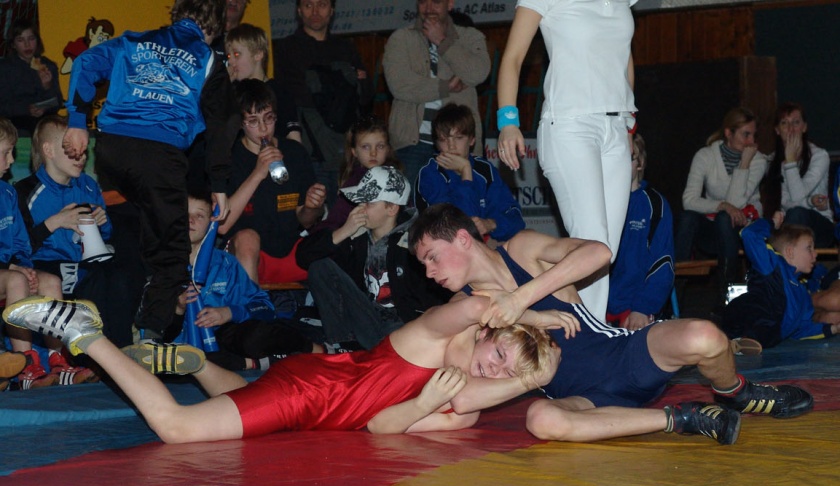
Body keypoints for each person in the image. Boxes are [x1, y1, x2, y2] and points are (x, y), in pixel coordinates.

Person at [408, 203, 814, 445]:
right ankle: (685, 418)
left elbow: (599, 252)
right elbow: (463, 397)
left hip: (625, 355)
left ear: (463, 239)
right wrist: (532, 380)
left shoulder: (522, 251)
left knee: (706, 336)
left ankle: (737, 392)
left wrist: (520, 299)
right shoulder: (464, 309)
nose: (428, 272)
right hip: (583, 401)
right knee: (541, 420)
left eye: (432, 257)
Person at [2, 289, 561, 440]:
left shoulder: (462, 407)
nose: (494, 370)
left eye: (508, 374)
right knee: (178, 428)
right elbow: (475, 305)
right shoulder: (442, 336)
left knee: (243, 396)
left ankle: (196, 364)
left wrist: (424, 404)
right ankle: (83, 331)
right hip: (308, 394)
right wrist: (531, 310)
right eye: (499, 354)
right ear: (491, 332)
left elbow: (380, 425)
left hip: (309, 388)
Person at [62, 0, 239, 345]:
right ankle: (151, 337)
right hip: (159, 156)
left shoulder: (134, 40)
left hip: (112, 152)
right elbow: (224, 122)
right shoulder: (207, 58)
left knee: (137, 236)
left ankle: (121, 327)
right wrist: (219, 182)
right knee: (173, 254)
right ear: (214, 29)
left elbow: (85, 62)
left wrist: (77, 122)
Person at [495, 0, 637, 322]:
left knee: (605, 253)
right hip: (569, 126)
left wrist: (629, 121)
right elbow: (513, 57)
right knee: (593, 245)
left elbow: (624, 54)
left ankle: (545, 305)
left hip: (616, 127)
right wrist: (508, 122)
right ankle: (590, 338)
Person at [297, 166, 452, 351]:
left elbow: (432, 296)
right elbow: (303, 258)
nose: (360, 209)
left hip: (403, 327)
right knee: (320, 267)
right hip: (367, 320)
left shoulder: (415, 241)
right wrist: (343, 231)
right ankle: (342, 346)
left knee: (400, 333)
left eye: (368, 203)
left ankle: (367, 352)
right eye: (360, 202)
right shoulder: (356, 234)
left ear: (391, 208)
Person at [166, 188, 318, 371]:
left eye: (199, 215)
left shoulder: (225, 264)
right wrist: (178, 309)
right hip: (178, 346)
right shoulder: (159, 264)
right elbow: (152, 328)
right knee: (177, 358)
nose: (190, 220)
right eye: (185, 214)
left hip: (222, 339)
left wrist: (229, 312)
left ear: (211, 222)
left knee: (256, 336)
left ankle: (316, 349)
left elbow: (265, 307)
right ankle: (255, 363)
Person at [16, 116, 134, 347]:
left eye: (84, 148)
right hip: (44, 263)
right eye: (73, 148)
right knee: (94, 278)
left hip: (86, 261)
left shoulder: (88, 185)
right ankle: (94, 353)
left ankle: (123, 351)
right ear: (49, 150)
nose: (82, 156)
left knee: (122, 274)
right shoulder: (25, 192)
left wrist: (103, 223)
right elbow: (16, 248)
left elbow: (105, 237)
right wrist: (54, 222)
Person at [0, 117, 81, 389]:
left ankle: (58, 360)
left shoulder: (7, 194)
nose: (11, 160)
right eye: (5, 153)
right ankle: (24, 365)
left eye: (12, 152)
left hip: (7, 271)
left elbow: (20, 242)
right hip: (6, 275)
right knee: (16, 280)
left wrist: (24, 265)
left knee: (51, 281)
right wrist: (14, 270)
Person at [220, 79, 326, 284]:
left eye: (268, 118)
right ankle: (250, 303)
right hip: (246, 254)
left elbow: (305, 220)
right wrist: (258, 173)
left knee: (332, 241)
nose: (263, 128)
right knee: (247, 240)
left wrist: (312, 207)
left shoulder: (294, 152)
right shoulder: (229, 157)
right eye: (253, 121)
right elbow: (222, 226)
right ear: (240, 123)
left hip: (289, 249)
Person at [274, 0, 374, 207]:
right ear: (299, 11)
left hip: (346, 149)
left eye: (322, 4)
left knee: (351, 213)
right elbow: (294, 94)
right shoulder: (287, 48)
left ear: (332, 10)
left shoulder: (345, 47)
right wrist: (344, 81)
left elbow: (365, 96)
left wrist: (323, 83)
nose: (315, 11)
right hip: (311, 148)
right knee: (313, 214)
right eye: (308, 5)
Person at [383, 0, 491, 185]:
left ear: (450, 4)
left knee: (462, 200)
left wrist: (442, 41)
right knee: (411, 203)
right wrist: (445, 87)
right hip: (411, 146)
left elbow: (478, 73)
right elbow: (399, 85)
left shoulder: (470, 36)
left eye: (436, 2)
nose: (429, 8)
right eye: (423, 2)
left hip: (459, 145)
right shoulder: (401, 38)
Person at [675, 107, 768, 303]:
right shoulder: (706, 155)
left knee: (725, 219)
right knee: (688, 218)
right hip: (714, 229)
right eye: (746, 134)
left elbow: (736, 202)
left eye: (754, 135)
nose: (751, 141)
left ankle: (729, 299)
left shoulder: (758, 160)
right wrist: (722, 205)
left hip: (744, 230)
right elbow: (688, 200)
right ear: (728, 133)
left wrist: (744, 164)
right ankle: (673, 295)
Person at [723, 213, 839, 351]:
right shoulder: (772, 265)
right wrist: (771, 223)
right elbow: (750, 234)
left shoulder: (802, 295)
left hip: (767, 335)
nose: (815, 254)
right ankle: (732, 335)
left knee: (774, 329)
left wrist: (832, 328)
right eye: (809, 248)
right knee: (761, 308)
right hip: (743, 317)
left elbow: (800, 330)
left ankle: (739, 344)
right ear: (790, 252)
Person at [415, 103, 525, 243]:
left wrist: (490, 224)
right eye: (443, 139)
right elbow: (458, 229)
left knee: (526, 238)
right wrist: (466, 172)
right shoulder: (430, 174)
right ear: (436, 144)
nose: (451, 146)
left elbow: (515, 218)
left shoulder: (485, 170)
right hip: (444, 245)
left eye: (459, 138)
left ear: (472, 140)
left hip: (485, 242)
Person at [606, 134, 674, 330]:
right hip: (598, 305)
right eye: (615, 157)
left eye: (627, 158)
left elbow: (663, 262)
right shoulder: (598, 203)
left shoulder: (654, 205)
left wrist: (642, 308)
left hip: (635, 307)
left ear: (640, 163)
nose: (619, 164)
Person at [760, 102, 832, 248]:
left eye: (796, 122)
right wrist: (809, 201)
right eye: (784, 123)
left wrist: (790, 162)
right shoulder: (771, 162)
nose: (791, 128)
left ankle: (785, 261)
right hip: (787, 223)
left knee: (797, 213)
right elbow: (784, 202)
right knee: (765, 226)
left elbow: (798, 198)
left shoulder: (819, 156)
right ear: (777, 130)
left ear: (804, 127)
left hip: (819, 226)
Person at [316, 116, 400, 232]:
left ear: (388, 149)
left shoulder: (396, 179)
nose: (373, 153)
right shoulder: (353, 182)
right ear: (354, 151)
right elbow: (335, 220)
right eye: (366, 147)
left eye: (380, 146)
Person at [225, 23, 302, 143]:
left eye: (236, 54)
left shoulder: (279, 92)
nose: (231, 61)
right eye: (229, 56)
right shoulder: (231, 93)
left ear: (258, 54)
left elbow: (294, 139)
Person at [0, 18, 64, 134]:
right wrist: (27, 109)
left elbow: (58, 102)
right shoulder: (5, 68)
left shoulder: (48, 65)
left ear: (37, 41)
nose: (27, 44)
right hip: (15, 122)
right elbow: (3, 106)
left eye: (31, 39)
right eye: (20, 40)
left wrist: (47, 87)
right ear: (13, 44)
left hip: (44, 121)